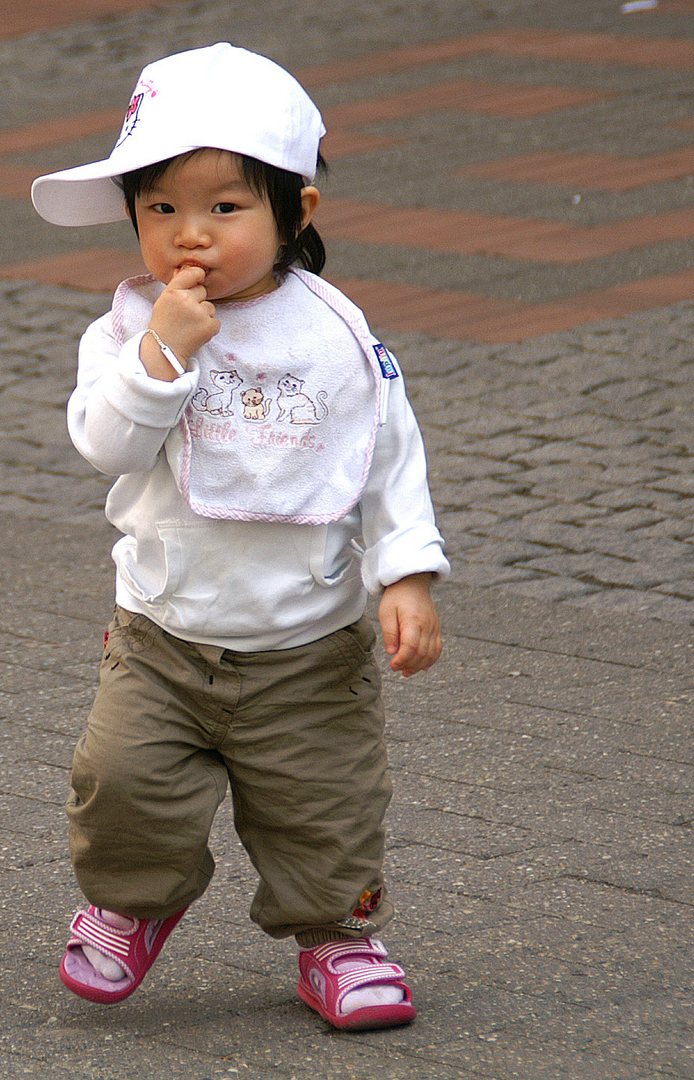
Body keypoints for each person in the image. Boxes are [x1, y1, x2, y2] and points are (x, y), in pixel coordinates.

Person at [29, 43, 448, 1032]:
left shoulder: (336, 336)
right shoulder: (130, 327)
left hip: (307, 649)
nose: (191, 236)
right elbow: (103, 443)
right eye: (161, 208)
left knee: (324, 810)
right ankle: (133, 902)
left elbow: (386, 457)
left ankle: (338, 937)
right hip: (162, 637)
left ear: (296, 212)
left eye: (225, 207)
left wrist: (407, 575)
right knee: (123, 784)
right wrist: (162, 353)